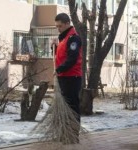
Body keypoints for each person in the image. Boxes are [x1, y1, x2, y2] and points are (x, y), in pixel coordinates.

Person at [53, 13, 82, 142]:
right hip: (63, 76)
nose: (58, 28)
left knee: (72, 106)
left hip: (72, 77)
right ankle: (65, 133)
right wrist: (54, 48)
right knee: (65, 106)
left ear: (66, 23)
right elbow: (61, 57)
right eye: (56, 26)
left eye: (59, 26)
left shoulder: (73, 38)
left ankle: (73, 134)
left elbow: (72, 59)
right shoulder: (64, 39)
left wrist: (59, 69)